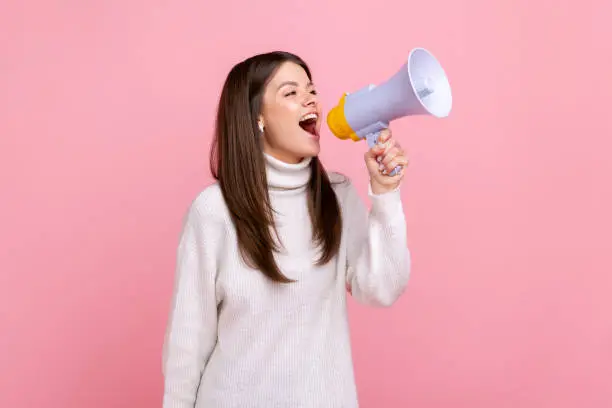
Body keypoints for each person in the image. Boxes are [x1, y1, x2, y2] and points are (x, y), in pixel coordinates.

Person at [161, 51, 411, 408]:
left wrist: (386, 196)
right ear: (257, 118)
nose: (311, 99)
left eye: (311, 89)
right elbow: (187, 342)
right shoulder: (214, 211)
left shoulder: (336, 197)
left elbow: (382, 288)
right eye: (291, 93)